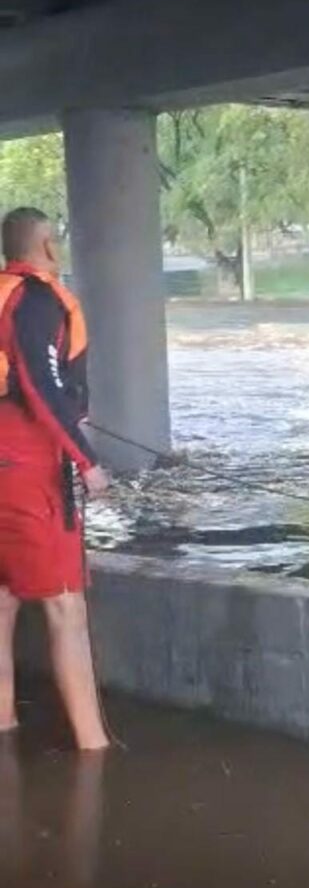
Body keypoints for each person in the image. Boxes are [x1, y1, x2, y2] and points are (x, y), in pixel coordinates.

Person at [0, 207, 110, 750]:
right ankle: (95, 751)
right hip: (25, 465)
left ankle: (4, 724)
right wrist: (86, 460)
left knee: (1, 599)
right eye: (56, 239)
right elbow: (41, 385)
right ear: (45, 245)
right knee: (66, 606)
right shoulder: (37, 301)